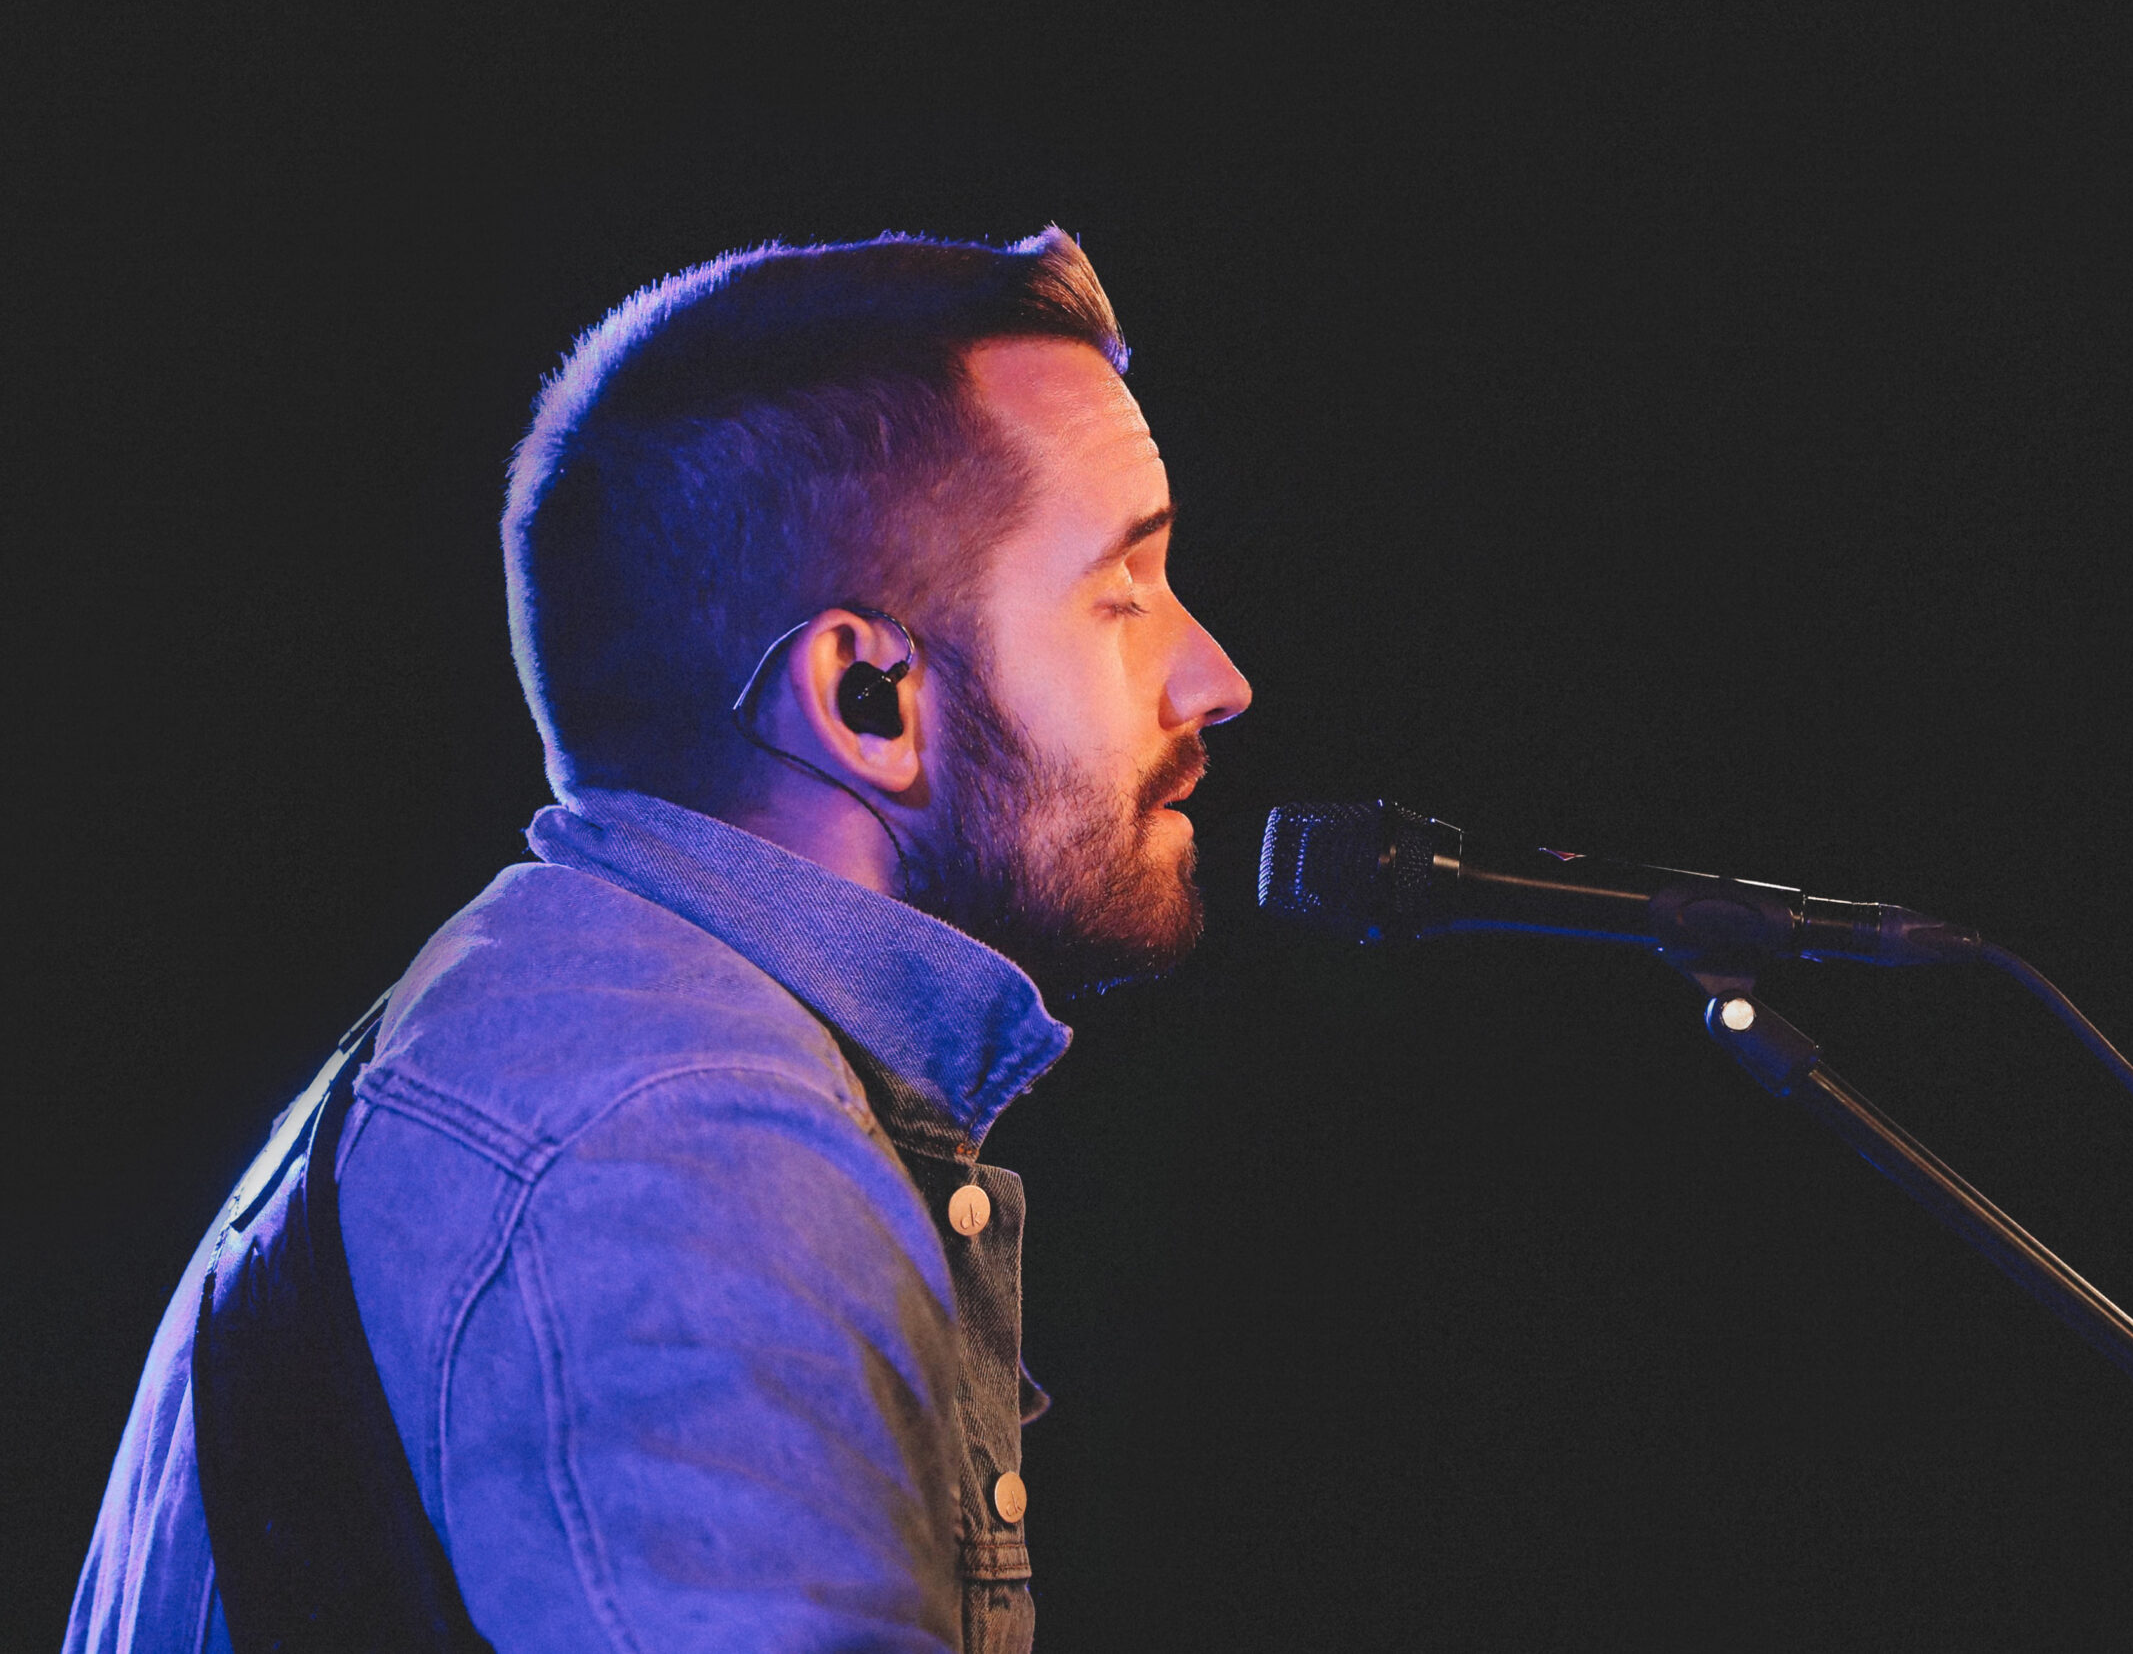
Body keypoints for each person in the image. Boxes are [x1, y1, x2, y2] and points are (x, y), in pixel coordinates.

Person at [65, 228, 1253, 1654]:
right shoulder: (685, 1146)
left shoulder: (570, 1039)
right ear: (866, 697)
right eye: (1123, 591)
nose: (1216, 677)